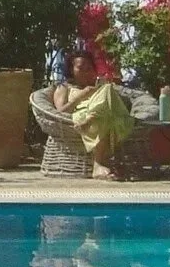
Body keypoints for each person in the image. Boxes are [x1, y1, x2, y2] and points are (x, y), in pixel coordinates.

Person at [51, 50, 137, 180]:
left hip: (99, 116)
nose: (86, 72)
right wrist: (81, 96)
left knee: (107, 89)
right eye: (81, 68)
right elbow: (60, 113)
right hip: (82, 114)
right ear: (71, 70)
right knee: (103, 116)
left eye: (89, 68)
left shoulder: (99, 86)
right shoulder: (64, 87)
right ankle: (98, 165)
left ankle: (91, 118)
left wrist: (99, 91)